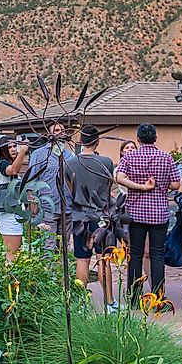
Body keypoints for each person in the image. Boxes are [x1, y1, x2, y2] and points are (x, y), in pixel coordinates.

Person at [115, 123, 180, 302]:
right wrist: (161, 185)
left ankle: (135, 298)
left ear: (138, 139)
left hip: (135, 213)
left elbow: (119, 178)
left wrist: (140, 187)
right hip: (159, 213)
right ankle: (158, 298)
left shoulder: (130, 157)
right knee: (157, 254)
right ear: (155, 139)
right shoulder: (166, 157)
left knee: (135, 254)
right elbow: (176, 184)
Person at [65, 125, 116, 310]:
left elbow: (69, 186)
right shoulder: (106, 162)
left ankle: (80, 303)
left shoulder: (70, 162)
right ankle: (110, 302)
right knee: (104, 259)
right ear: (97, 142)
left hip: (80, 216)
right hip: (101, 215)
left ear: (80, 142)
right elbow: (109, 185)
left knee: (82, 259)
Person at [24, 121, 75, 253]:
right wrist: (32, 202)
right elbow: (31, 179)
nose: (60, 133)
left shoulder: (70, 155)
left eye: (62, 130)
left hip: (67, 206)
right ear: (49, 134)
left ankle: (63, 273)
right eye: (57, 130)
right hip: (47, 206)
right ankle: (48, 273)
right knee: (48, 246)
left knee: (64, 246)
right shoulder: (39, 154)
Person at [0, 139, 30, 263]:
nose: (14, 149)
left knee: (16, 253)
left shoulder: (11, 164)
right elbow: (12, 170)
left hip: (14, 214)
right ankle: (9, 280)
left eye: (15, 146)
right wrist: (23, 151)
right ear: (3, 149)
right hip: (8, 215)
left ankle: (13, 280)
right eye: (10, 147)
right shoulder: (2, 164)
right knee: (12, 255)